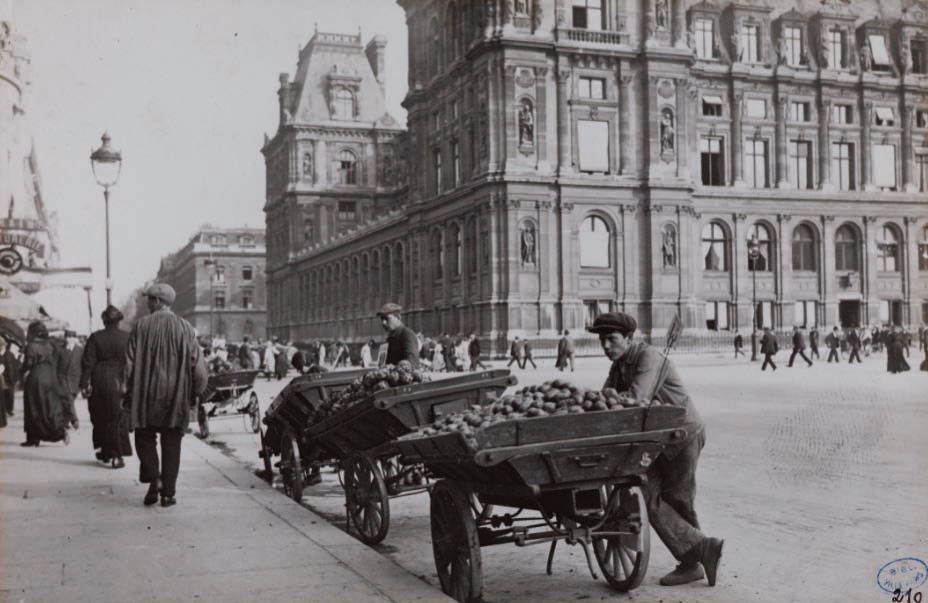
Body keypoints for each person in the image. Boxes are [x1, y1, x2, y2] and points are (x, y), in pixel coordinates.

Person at [588, 312, 723, 587]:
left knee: (679, 498)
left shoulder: (648, 358)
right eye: (602, 340)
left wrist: (607, 399)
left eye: (611, 339)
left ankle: (692, 563)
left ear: (629, 338)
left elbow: (637, 399)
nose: (605, 346)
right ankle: (702, 550)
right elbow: (603, 400)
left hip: (681, 434)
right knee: (648, 496)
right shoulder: (618, 367)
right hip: (654, 440)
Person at [123, 283, 208, 507]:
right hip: (176, 396)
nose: (148, 303)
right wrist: (197, 392)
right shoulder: (186, 328)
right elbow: (198, 368)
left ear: (158, 302)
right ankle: (168, 494)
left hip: (145, 396)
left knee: (144, 437)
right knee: (172, 443)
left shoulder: (141, 326)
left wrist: (124, 392)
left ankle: (155, 478)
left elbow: (128, 364)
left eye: (150, 299)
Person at [80, 305, 132, 468]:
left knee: (100, 415)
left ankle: (107, 451)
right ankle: (115, 454)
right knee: (117, 417)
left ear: (104, 321)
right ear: (119, 321)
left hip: (99, 378)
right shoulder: (127, 337)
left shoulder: (95, 337)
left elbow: (88, 363)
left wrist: (83, 384)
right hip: (120, 378)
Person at [20, 320, 70, 447]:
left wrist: (21, 371)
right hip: (49, 375)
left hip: (36, 376)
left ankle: (33, 437)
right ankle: (59, 431)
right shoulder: (51, 345)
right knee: (47, 406)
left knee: (32, 406)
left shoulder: (31, 346)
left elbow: (29, 364)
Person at [56, 329, 83, 429]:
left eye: (71, 337)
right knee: (68, 400)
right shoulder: (59, 349)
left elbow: (83, 365)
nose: (68, 339)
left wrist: (84, 381)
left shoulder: (80, 350)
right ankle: (74, 420)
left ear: (75, 339)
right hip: (62, 379)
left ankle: (65, 422)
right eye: (67, 337)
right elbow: (55, 364)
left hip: (75, 380)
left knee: (68, 401)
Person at [1, 336, 20, 419]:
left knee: (9, 394)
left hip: (8, 378)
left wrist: (14, 379)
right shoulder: (9, 354)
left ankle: (9, 409)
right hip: (3, 377)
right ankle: (6, 409)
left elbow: (13, 367)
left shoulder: (9, 354)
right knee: (5, 395)